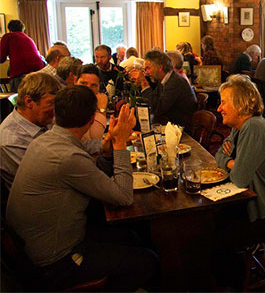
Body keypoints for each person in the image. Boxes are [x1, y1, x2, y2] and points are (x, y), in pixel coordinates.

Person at [6, 87, 159, 291]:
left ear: (56, 114)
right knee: (149, 261)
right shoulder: (67, 157)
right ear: (90, 120)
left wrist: (107, 149)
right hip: (55, 261)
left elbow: (91, 175)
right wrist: (120, 143)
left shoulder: (45, 140)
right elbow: (123, 197)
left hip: (37, 246)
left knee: (130, 236)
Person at [215, 74, 265, 243]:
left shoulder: (254, 127)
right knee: (209, 220)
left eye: (223, 102)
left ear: (240, 103)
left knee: (216, 233)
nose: (219, 108)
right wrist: (231, 162)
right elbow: (218, 155)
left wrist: (233, 163)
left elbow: (239, 179)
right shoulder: (238, 127)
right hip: (250, 199)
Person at [0, 72, 61, 194]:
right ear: (29, 102)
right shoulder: (11, 141)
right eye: (51, 103)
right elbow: (46, 180)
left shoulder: (41, 120)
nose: (55, 109)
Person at [129, 50, 197, 131]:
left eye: (148, 68)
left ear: (160, 67)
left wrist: (144, 83)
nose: (146, 73)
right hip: (167, 124)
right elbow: (154, 99)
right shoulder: (164, 80)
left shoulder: (175, 82)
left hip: (179, 130)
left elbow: (157, 108)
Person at [0, 20, 44, 91]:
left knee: (18, 98)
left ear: (9, 29)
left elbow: (1, 58)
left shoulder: (8, 37)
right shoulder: (28, 38)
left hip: (21, 73)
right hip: (38, 71)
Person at [75, 64, 108, 145]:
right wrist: (102, 110)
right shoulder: (71, 104)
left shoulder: (91, 104)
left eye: (93, 85)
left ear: (99, 87)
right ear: (75, 82)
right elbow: (95, 138)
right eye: (83, 83)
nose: (88, 89)